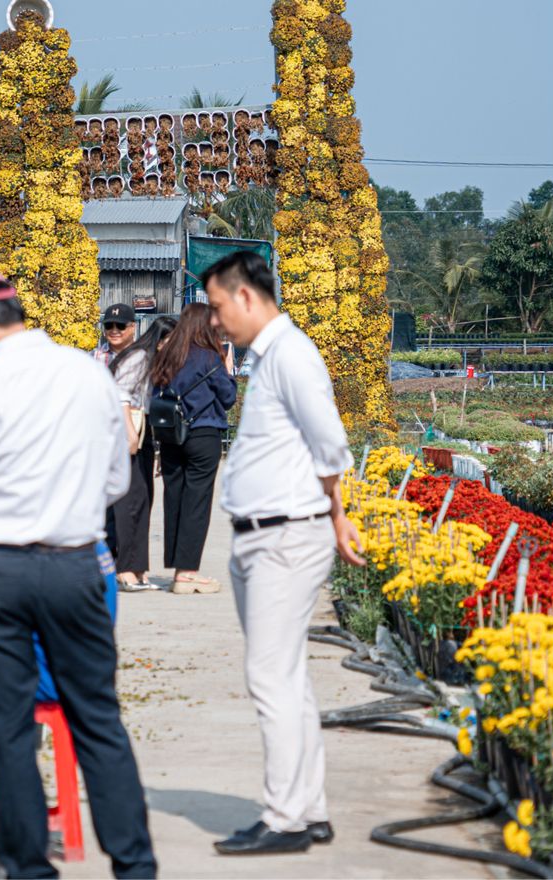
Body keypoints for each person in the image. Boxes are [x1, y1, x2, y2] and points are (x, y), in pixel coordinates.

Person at [0, 267, 155, 879]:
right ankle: (134, 866)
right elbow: (117, 480)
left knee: (7, 730)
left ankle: (29, 871)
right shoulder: (86, 373)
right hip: (75, 567)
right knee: (96, 718)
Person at [198, 251, 364, 855]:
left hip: (285, 537)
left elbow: (330, 443)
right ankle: (308, 809)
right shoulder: (268, 358)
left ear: (246, 297)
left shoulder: (290, 356)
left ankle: (285, 817)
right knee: (286, 673)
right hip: (268, 533)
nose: (215, 321)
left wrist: (337, 516)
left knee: (269, 674)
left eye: (218, 307)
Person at [149, 303, 238, 593]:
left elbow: (155, 394)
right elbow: (226, 398)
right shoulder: (210, 358)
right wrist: (228, 373)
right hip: (203, 433)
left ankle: (177, 569)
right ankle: (187, 573)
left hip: (171, 435)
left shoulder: (167, 357)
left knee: (174, 497)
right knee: (196, 501)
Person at [106, 315, 176, 592]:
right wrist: (131, 434)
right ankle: (125, 569)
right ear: (162, 340)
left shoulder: (149, 359)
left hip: (142, 430)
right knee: (130, 502)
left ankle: (137, 568)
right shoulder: (138, 358)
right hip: (129, 431)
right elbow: (121, 395)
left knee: (143, 498)